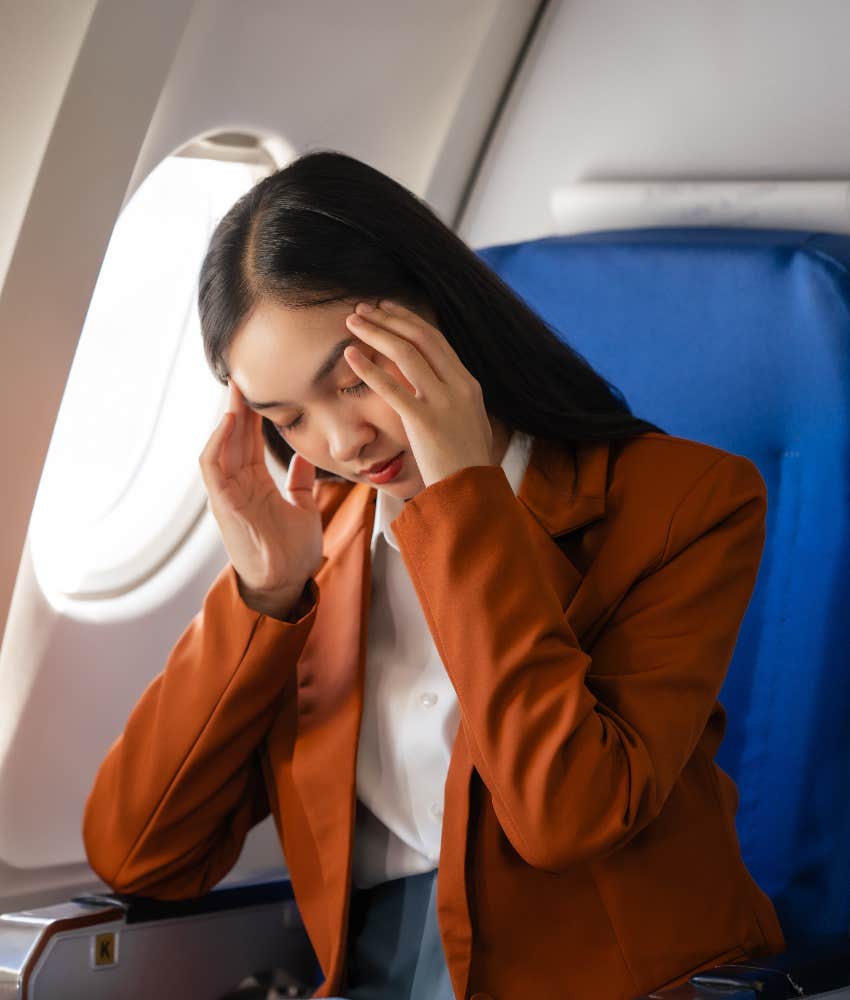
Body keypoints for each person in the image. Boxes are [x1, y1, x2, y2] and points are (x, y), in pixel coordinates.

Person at [82, 150, 785, 1000]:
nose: (342, 442)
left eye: (356, 380)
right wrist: (263, 596)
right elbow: (141, 854)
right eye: (289, 417)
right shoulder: (318, 547)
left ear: (441, 315)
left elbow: (567, 816)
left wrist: (462, 507)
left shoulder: (686, 502)